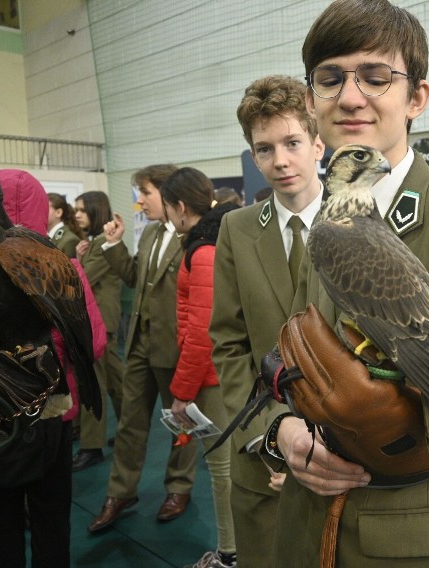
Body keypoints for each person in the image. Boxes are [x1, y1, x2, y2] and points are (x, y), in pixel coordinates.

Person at [261, 2, 429, 565]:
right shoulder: (315, 217)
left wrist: (381, 429)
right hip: (298, 531)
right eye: (330, 78)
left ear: (417, 98)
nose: (351, 96)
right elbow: (285, 358)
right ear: (312, 100)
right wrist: (284, 431)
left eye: (376, 76)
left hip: (400, 544)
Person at [210, 74, 325, 567]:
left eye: (292, 142)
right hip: (260, 452)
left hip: (343, 460)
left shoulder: (361, 225)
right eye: (264, 149)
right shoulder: (236, 229)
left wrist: (320, 446)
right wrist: (276, 432)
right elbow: (230, 345)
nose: (279, 160)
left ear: (319, 144)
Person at [0, 169, 106, 568]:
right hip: (51, 415)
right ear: (40, 207)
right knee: (51, 526)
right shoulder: (63, 267)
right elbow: (95, 344)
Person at [87, 164, 200, 533]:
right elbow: (135, 276)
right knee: (131, 424)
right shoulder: (150, 234)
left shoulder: (194, 236)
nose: (140, 202)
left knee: (181, 424)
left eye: (146, 193)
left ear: (168, 195)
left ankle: (179, 487)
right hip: (138, 344)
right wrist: (114, 244)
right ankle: (120, 492)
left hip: (174, 348)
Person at [159, 167, 237, 568]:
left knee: (223, 470)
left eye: (166, 207)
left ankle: (230, 554)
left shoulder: (202, 249)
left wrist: (182, 392)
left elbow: (202, 331)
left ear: (180, 206)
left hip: (213, 379)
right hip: (216, 375)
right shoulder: (208, 239)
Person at [73, 191, 124, 470]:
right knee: (116, 379)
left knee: (95, 382)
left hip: (99, 323)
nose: (77, 214)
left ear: (95, 211)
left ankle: (92, 446)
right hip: (102, 321)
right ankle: (129, 427)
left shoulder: (104, 243)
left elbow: (82, 280)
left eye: (82, 209)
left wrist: (77, 262)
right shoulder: (95, 243)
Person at [47, 192, 82, 258]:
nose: (40, 212)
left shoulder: (69, 240)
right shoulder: (47, 236)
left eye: (45, 208)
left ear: (58, 212)